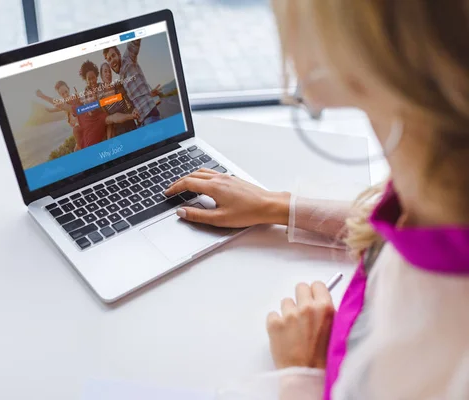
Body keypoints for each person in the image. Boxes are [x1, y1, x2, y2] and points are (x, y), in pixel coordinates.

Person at [165, 1, 469, 399]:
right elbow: (394, 234)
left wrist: (302, 374)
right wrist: (275, 205)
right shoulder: (438, 176)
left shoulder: (435, 356)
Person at [103, 40, 161, 126]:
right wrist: (149, 94)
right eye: (109, 59)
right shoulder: (121, 79)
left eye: (113, 56)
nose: (112, 61)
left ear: (119, 55)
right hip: (141, 121)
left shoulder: (128, 58)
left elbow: (134, 42)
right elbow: (136, 96)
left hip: (149, 115)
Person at [99, 61, 137, 138]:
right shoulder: (101, 99)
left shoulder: (118, 87)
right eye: (105, 71)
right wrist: (109, 139)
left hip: (131, 124)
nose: (108, 74)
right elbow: (109, 122)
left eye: (109, 71)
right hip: (119, 132)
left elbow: (131, 101)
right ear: (101, 76)